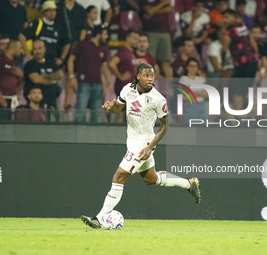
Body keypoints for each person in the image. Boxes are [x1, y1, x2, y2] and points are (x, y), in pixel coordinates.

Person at [80, 63, 201, 229]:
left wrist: (150, 146)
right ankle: (189, 184)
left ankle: (99, 219)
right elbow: (117, 109)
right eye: (146, 75)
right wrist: (111, 108)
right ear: (137, 76)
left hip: (145, 141)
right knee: (151, 179)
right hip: (132, 140)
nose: (150, 79)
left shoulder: (158, 99)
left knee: (119, 176)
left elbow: (165, 126)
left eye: (152, 76)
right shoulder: (127, 89)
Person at [67, 26, 112, 122]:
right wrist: (71, 76)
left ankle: (92, 135)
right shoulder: (83, 44)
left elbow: (105, 66)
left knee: (95, 113)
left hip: (98, 84)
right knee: (81, 112)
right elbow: (71, 59)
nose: (107, 37)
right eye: (105, 34)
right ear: (98, 34)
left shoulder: (103, 48)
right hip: (84, 83)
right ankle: (78, 134)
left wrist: (108, 82)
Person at [221, 9, 258, 111]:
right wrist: (257, 57)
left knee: (237, 90)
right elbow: (252, 41)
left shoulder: (229, 31)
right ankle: (250, 115)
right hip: (253, 61)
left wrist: (223, 59)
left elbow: (224, 48)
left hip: (242, 63)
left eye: (227, 17)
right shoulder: (243, 27)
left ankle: (239, 117)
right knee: (247, 90)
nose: (224, 20)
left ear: (233, 17)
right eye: (223, 18)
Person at [19, 1, 71, 66]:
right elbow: (21, 36)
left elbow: (67, 43)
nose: (52, 13)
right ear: (44, 12)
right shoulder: (37, 23)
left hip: (51, 62)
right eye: (49, 11)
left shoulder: (58, 27)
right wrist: (28, 54)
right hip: (37, 61)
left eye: (54, 11)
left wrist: (62, 59)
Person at [108, 30, 139, 122]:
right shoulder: (123, 52)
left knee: (127, 112)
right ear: (127, 39)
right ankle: (117, 132)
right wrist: (120, 76)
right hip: (123, 87)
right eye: (134, 39)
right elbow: (112, 64)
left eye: (137, 39)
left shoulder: (130, 52)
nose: (136, 41)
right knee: (122, 112)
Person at [0, 40, 23, 120]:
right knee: (0, 126)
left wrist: (21, 76)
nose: (21, 51)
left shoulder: (15, 63)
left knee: (10, 126)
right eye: (20, 48)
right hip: (1, 99)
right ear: (14, 48)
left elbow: (17, 83)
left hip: (12, 99)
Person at [24, 40, 63, 110]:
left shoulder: (51, 63)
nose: (37, 51)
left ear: (44, 49)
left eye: (39, 48)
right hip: (36, 105)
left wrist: (43, 78)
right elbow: (36, 79)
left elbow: (60, 75)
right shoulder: (30, 65)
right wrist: (51, 80)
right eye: (35, 49)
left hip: (52, 102)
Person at [139, 0, 172, 78]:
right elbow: (149, 11)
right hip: (151, 31)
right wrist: (163, 3)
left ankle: (170, 87)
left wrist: (154, 10)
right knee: (150, 58)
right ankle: (148, 84)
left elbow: (168, 9)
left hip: (165, 31)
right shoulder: (145, 1)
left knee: (166, 59)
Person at [179, 57, 208, 123]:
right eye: (192, 66)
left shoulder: (201, 79)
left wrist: (194, 92)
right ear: (187, 67)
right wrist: (200, 92)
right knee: (191, 125)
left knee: (203, 126)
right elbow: (185, 96)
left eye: (196, 66)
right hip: (190, 105)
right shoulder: (183, 79)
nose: (194, 68)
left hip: (202, 105)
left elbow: (207, 94)